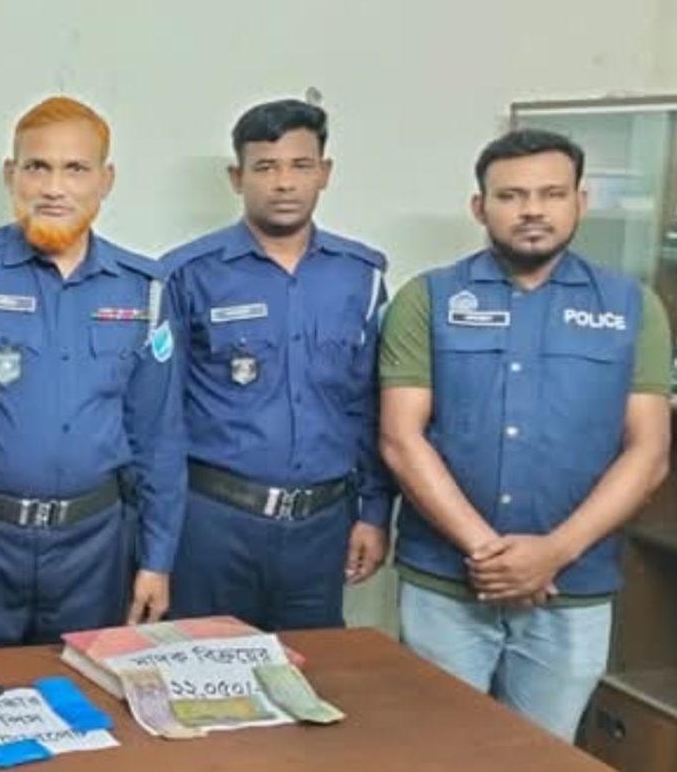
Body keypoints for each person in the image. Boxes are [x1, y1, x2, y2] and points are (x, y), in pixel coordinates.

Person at [379, 128, 672, 740]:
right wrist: (491, 555)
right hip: (446, 585)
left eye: (551, 194)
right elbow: (402, 440)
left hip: (573, 586)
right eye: (511, 196)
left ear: (580, 203)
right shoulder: (427, 298)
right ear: (479, 207)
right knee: (440, 749)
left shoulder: (632, 307)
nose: (532, 210)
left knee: (543, 753)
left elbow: (648, 454)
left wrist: (553, 553)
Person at [0, 95, 185, 646]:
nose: (55, 188)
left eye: (75, 169)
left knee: (82, 690)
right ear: (11, 175)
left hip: (93, 550)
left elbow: (159, 437)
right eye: (38, 167)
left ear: (106, 180)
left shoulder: (143, 289)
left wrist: (157, 559)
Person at [163, 99, 393, 631]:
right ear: (237, 177)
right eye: (265, 167)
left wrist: (374, 513)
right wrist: (158, 536)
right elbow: (159, 416)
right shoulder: (187, 274)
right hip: (214, 525)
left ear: (324, 173)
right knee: (205, 669)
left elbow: (370, 407)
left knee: (314, 671)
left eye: (300, 165)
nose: (284, 183)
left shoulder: (361, 276)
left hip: (323, 528)